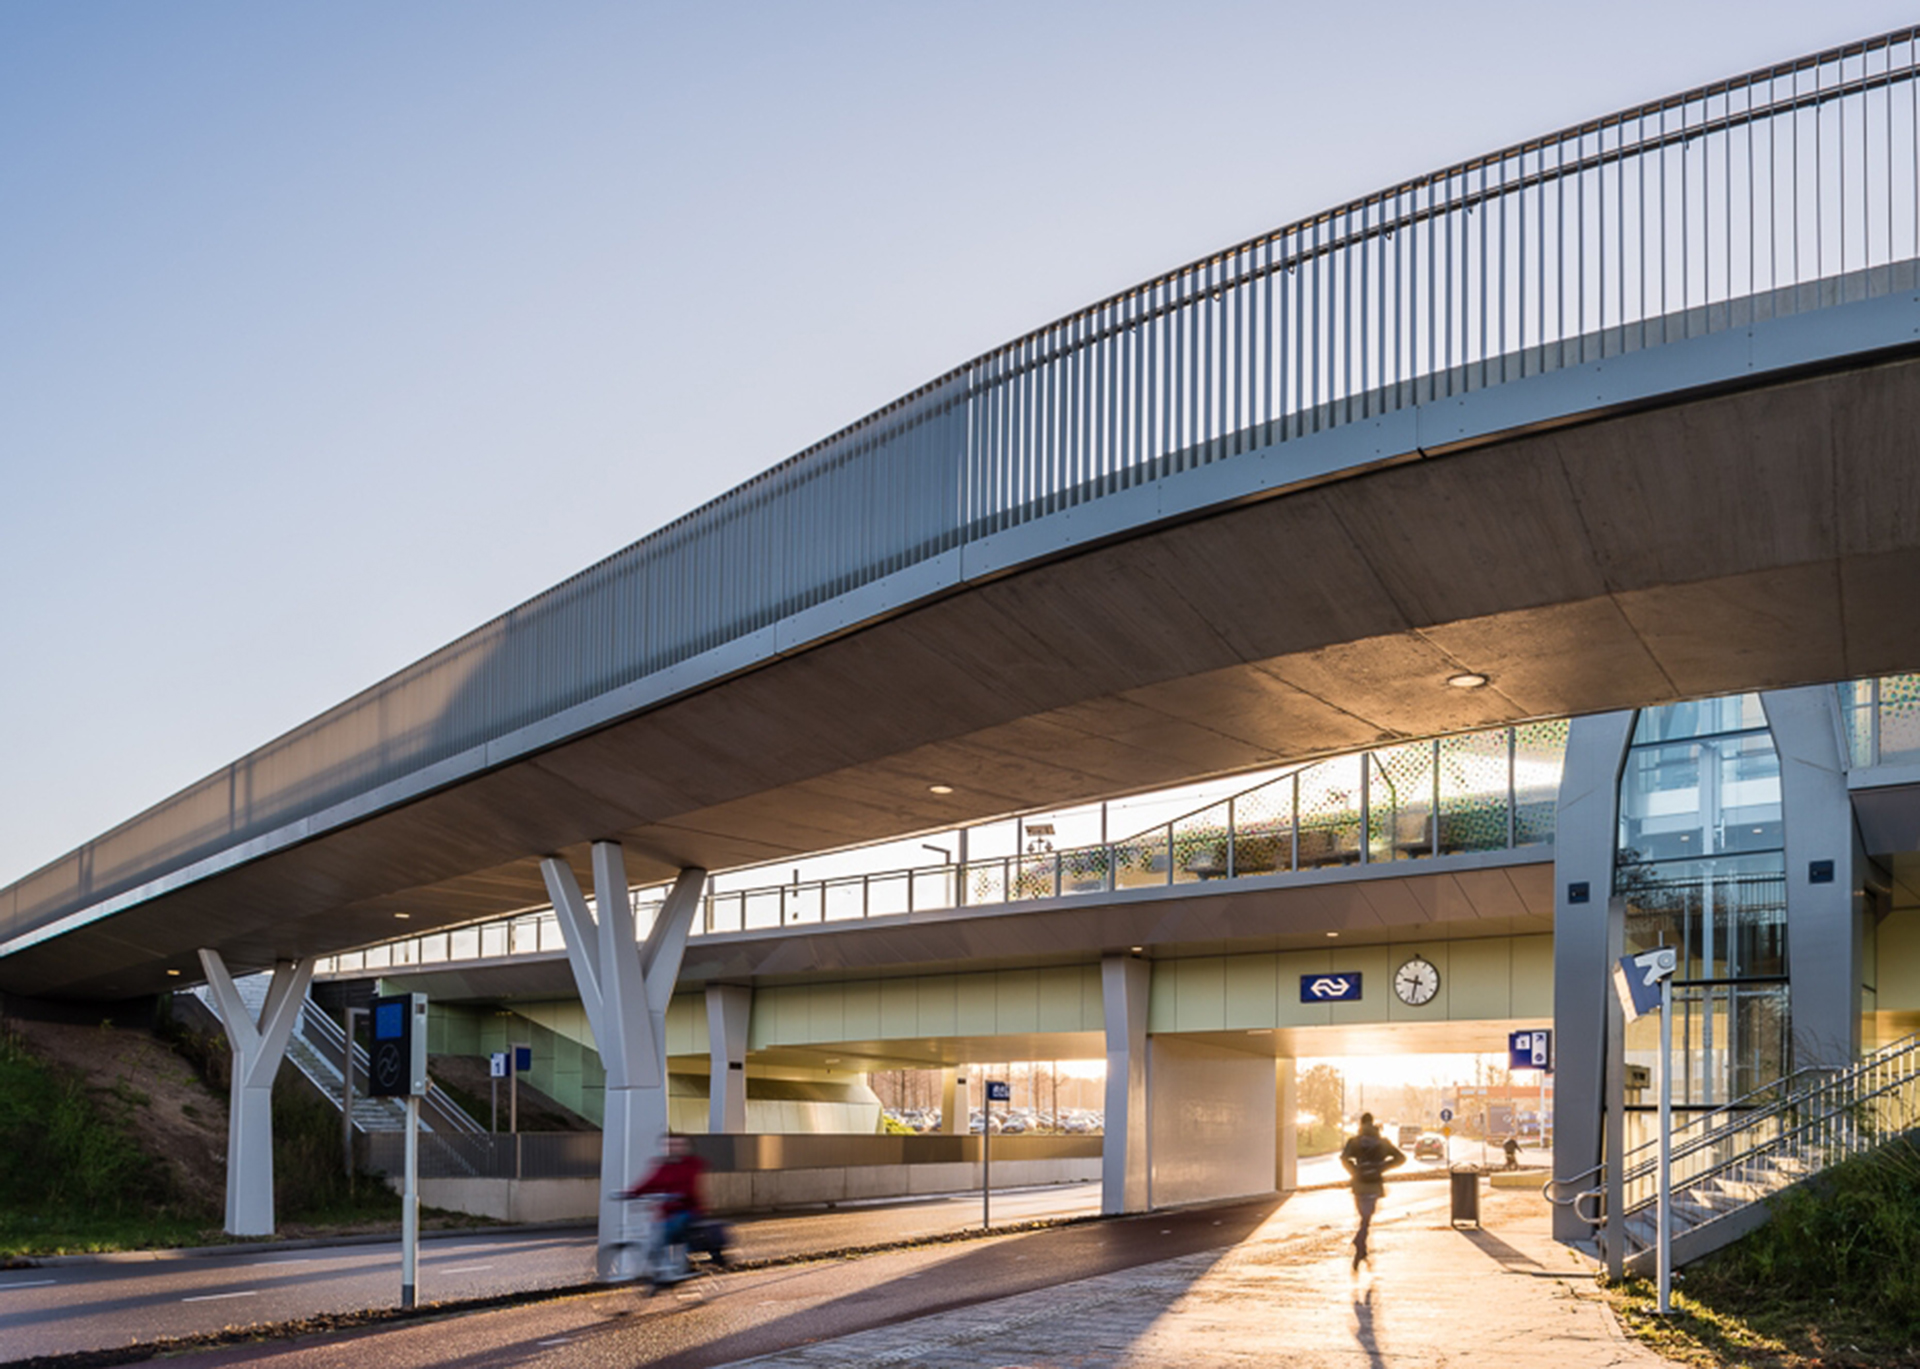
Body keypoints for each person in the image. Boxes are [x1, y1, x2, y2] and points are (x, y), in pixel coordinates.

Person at [623, 1135, 707, 1284]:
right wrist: (630, 1193)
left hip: (688, 1210)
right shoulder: (663, 1166)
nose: (673, 1148)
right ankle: (664, 1272)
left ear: (686, 1148)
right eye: (670, 1145)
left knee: (664, 1232)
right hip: (668, 1212)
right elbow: (650, 1183)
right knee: (654, 1233)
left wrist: (677, 1196)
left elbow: (690, 1186)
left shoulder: (692, 1165)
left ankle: (676, 1269)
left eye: (678, 1145)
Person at [1339, 1112, 1406, 1271]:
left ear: (1361, 1125)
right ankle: (1360, 1243)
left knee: (1364, 1216)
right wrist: (1382, 1168)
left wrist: (1355, 1170)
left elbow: (1343, 1158)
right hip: (1375, 1185)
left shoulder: (1354, 1142)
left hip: (1359, 1185)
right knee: (1367, 1218)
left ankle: (1361, 1246)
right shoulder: (1381, 1142)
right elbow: (1401, 1158)